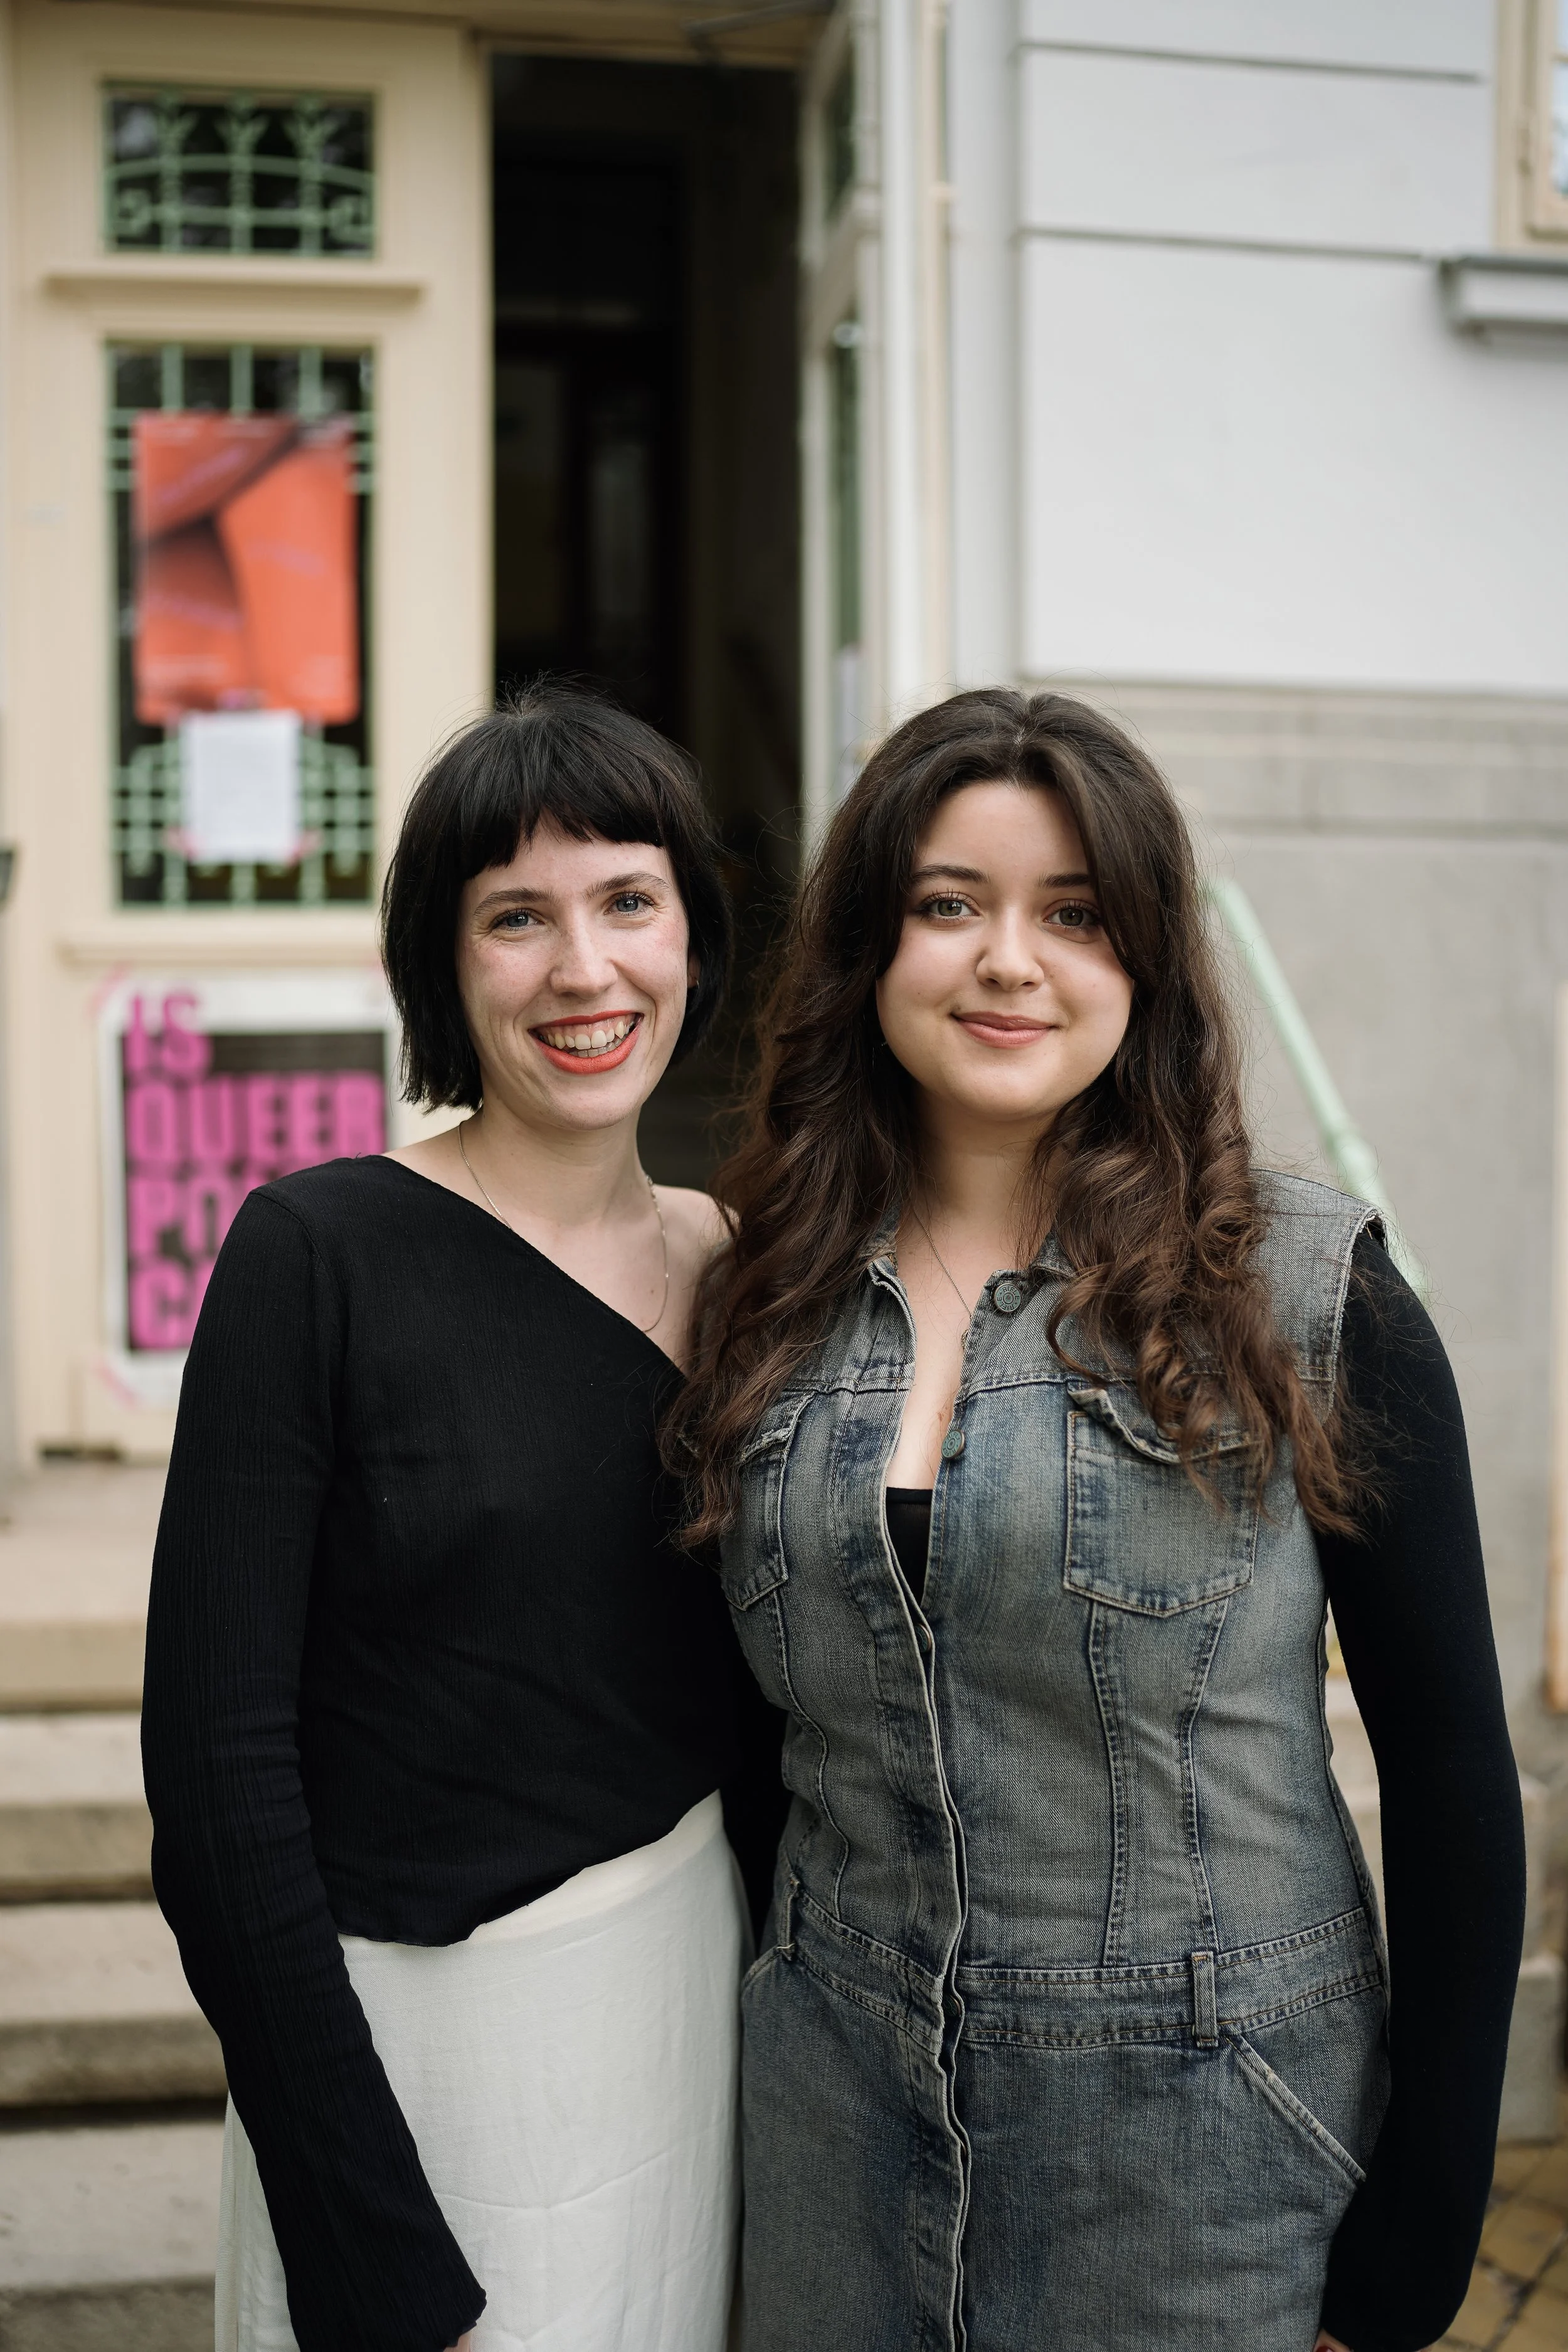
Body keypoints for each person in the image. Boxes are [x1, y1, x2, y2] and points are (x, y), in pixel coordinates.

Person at [667, 689, 1526, 2352]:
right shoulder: (759, 1293)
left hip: (1210, 2157)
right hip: (834, 2144)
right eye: (948, 905)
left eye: (1072, 913)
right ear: (867, 948)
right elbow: (744, 1755)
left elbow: (1446, 1770)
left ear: (1143, 965)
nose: (1008, 958)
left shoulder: (1304, 1288)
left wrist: (1426, 2214)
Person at [142, 686, 783, 2352]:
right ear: (444, 966)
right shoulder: (314, 1255)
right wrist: (357, 2223)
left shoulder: (752, 1271)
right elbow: (214, 1771)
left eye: (627, 900)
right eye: (518, 918)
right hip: (406, 2063)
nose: (586, 970)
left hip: (683, 2017)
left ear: (692, 937)